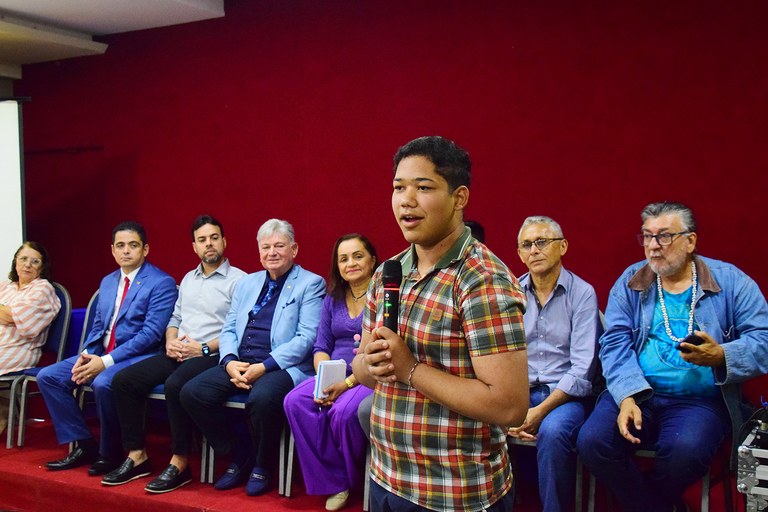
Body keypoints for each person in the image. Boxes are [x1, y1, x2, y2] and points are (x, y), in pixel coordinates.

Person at [352, 136, 529, 512]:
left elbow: (510, 406)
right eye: (399, 187)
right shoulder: (389, 272)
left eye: (423, 187)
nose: (406, 199)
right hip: (385, 476)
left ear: (459, 198)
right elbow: (365, 374)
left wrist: (409, 369)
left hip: (452, 493)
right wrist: (371, 363)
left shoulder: (483, 279)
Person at [576, 201, 768, 512]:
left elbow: (765, 340)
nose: (653, 246)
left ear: (690, 241)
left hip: (700, 402)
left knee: (685, 451)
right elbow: (613, 342)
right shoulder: (631, 282)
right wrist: (626, 396)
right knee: (593, 442)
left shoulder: (731, 281)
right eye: (647, 237)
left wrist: (722, 354)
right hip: (639, 393)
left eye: (664, 236)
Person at [180, 218, 325, 496]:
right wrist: (229, 360)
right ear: (258, 251)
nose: (272, 252)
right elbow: (229, 327)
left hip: (282, 365)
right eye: (266, 247)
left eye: (279, 246)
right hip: (241, 360)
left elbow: (306, 338)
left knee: (262, 399)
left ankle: (262, 463)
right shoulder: (247, 283)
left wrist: (264, 366)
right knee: (192, 393)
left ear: (294, 249)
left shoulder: (311, 283)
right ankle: (240, 452)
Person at [102, 215, 246, 491]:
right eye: (202, 240)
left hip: (213, 354)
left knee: (175, 384)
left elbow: (238, 330)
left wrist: (201, 347)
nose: (209, 244)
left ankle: (179, 462)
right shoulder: (188, 279)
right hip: (179, 350)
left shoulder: (240, 281)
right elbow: (175, 318)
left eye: (214, 238)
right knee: (124, 380)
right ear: (194, 247)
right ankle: (137, 456)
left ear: (224, 242)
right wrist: (170, 341)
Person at [38, 221, 177, 476]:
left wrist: (105, 362)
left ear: (145, 249)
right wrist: (87, 355)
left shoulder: (161, 282)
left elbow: (150, 335)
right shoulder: (108, 281)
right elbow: (99, 326)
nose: (126, 251)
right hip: (101, 353)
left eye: (133, 246)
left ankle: (110, 453)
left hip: (139, 356)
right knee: (49, 377)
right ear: (112, 250)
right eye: (120, 246)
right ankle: (83, 444)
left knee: (103, 382)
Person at [507, 216, 601, 512]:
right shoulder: (510, 294)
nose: (534, 250)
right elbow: (502, 358)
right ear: (520, 254)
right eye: (526, 245)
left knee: (554, 431)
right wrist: (513, 409)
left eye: (542, 242)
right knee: (481, 423)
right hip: (519, 393)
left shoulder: (583, 294)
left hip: (565, 397)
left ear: (562, 246)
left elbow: (583, 370)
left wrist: (537, 412)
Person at [283, 233, 378, 511]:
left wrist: (347, 383)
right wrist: (325, 378)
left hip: (367, 375)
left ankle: (351, 478)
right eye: (343, 258)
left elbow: (379, 353)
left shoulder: (384, 297)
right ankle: (333, 481)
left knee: (343, 413)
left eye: (357, 256)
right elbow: (321, 345)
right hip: (334, 371)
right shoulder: (332, 298)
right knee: (296, 401)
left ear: (372, 260)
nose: (350, 263)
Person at [0, 242, 62, 435]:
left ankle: (3, 416)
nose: (28, 265)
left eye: (35, 261)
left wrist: (11, 315)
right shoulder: (6, 287)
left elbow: (20, 319)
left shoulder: (43, 289)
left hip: (21, 348)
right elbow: (11, 315)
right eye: (23, 259)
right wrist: (10, 314)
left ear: (42, 267)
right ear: (15, 262)